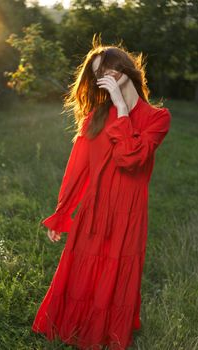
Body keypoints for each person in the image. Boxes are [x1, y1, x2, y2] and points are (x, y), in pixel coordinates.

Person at [31, 35, 172, 350]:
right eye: (96, 74)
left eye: (105, 70)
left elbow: (131, 159)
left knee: (116, 272)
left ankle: (106, 330)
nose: (100, 79)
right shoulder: (95, 117)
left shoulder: (158, 119)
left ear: (122, 70)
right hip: (94, 210)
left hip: (128, 215)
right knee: (85, 272)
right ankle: (72, 326)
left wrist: (123, 110)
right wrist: (63, 211)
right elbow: (78, 168)